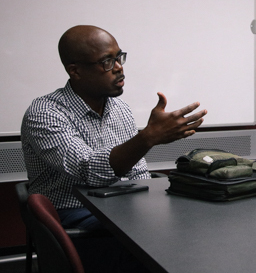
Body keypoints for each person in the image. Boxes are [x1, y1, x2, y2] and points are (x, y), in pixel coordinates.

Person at [21, 25, 207, 270]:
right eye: (107, 62)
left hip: (122, 208)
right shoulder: (45, 113)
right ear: (75, 70)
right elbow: (89, 171)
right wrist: (147, 138)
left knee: (192, 223)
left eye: (119, 57)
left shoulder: (120, 110)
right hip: (73, 217)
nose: (119, 67)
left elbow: (138, 175)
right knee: (161, 248)